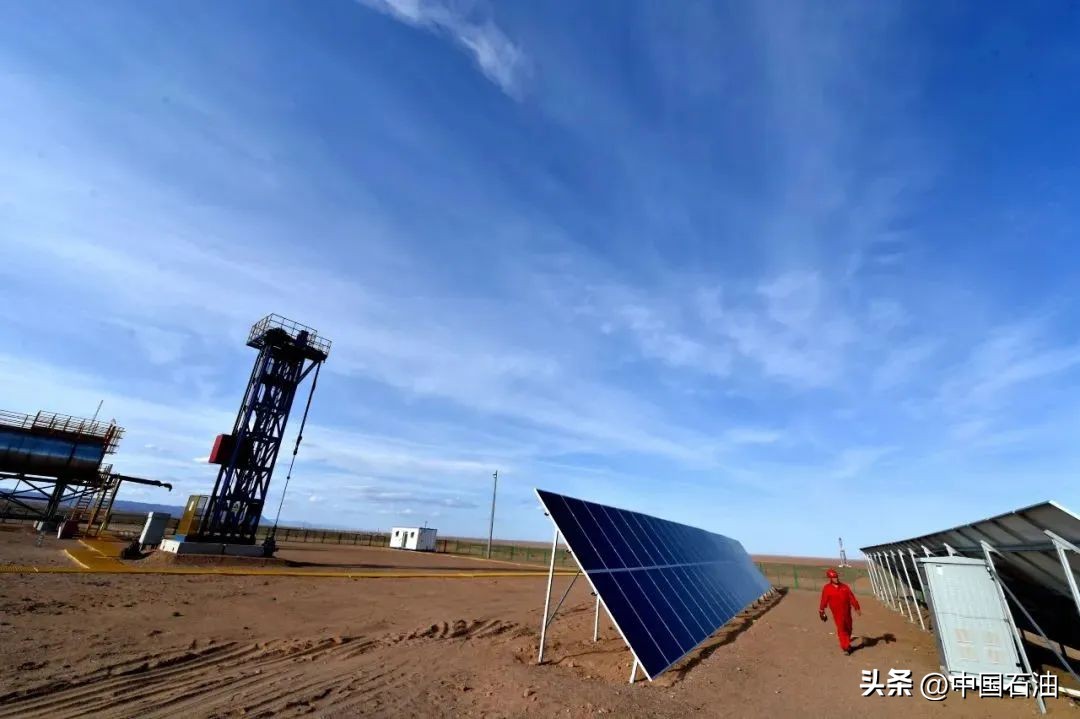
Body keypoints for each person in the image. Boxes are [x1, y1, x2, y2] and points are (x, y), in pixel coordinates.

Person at [819, 568, 861, 655]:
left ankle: (847, 642)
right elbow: (823, 600)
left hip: (847, 612)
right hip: (837, 613)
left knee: (849, 628)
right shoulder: (827, 589)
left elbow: (851, 598)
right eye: (834, 577)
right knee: (841, 629)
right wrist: (821, 610)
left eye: (836, 577)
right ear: (830, 578)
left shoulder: (845, 587)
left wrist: (857, 608)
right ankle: (846, 647)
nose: (836, 579)